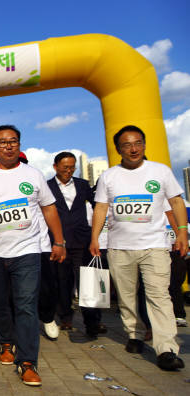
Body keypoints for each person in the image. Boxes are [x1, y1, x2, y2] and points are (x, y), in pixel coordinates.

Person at [0, 125, 65, 387]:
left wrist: (59, 241)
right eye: (2, 142)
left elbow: (49, 209)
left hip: (27, 251)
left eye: (13, 141)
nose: (8, 146)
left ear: (19, 145)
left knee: (25, 304)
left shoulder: (33, 174)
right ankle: (5, 343)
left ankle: (28, 361)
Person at [90, 125, 188, 371]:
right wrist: (94, 238)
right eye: (127, 145)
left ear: (144, 145)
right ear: (118, 149)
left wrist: (182, 231)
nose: (133, 149)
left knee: (159, 296)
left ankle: (166, 348)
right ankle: (134, 333)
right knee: (126, 295)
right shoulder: (109, 176)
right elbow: (101, 208)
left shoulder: (161, 171)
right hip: (119, 247)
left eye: (138, 143)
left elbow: (176, 202)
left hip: (154, 246)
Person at [44, 152, 106, 338]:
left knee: (88, 281)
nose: (69, 171)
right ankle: (65, 317)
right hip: (59, 241)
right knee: (62, 281)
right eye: (65, 168)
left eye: (72, 167)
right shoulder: (47, 187)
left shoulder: (82, 184)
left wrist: (95, 233)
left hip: (82, 240)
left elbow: (98, 206)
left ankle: (92, 321)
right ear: (55, 167)